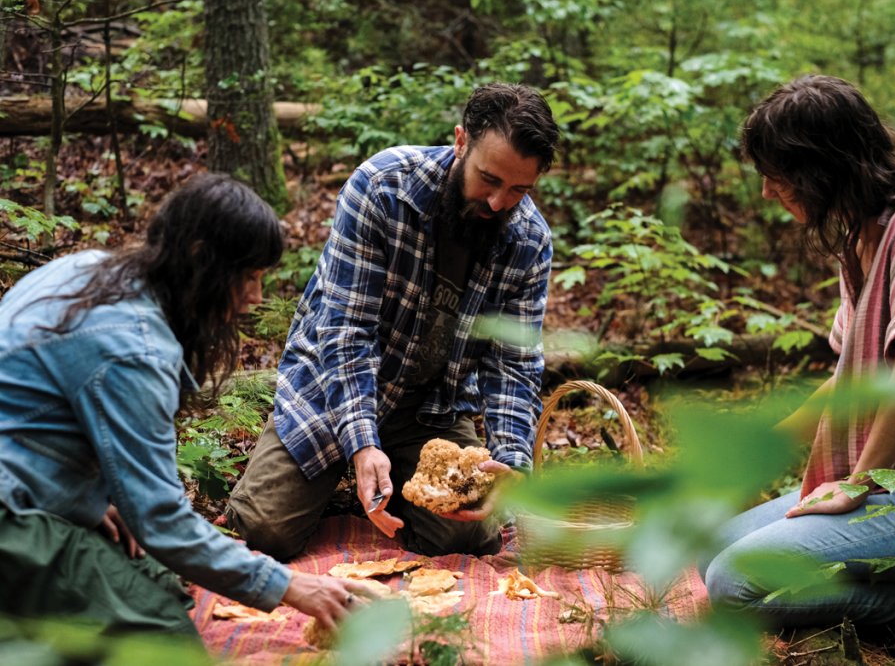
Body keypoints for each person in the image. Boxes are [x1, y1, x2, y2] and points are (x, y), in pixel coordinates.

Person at [699, 75, 895, 658]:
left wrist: (856, 483)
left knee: (735, 582)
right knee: (709, 552)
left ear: (821, 166)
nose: (769, 192)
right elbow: (845, 385)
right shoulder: (862, 241)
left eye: (778, 175)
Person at [0, 174, 378, 637]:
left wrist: (83, 501)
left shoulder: (92, 270)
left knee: (161, 585)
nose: (256, 299)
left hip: (29, 487)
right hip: (11, 515)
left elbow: (34, 419)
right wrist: (292, 586)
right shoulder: (134, 350)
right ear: (201, 259)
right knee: (165, 636)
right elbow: (161, 520)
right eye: (249, 278)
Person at [225, 83, 561, 560]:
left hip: (428, 409)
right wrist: (362, 444)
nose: (496, 203)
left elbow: (514, 366)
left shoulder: (529, 241)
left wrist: (510, 463)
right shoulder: (383, 187)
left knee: (467, 538)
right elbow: (345, 332)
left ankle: (391, 484)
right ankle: (333, 475)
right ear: (461, 141)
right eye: (488, 179)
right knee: (263, 532)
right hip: (331, 387)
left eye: (519, 190)